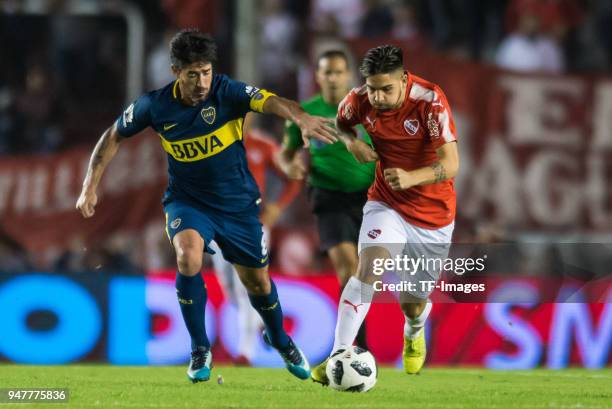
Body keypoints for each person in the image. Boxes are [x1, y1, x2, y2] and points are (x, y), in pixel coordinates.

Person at [75, 29, 337, 383]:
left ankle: (279, 338)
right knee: (188, 256)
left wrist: (301, 118)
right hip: (188, 201)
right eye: (192, 74)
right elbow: (113, 135)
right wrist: (90, 185)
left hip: (239, 207)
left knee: (257, 284)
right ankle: (200, 348)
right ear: (175, 72)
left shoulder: (227, 92)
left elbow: (273, 101)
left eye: (206, 72)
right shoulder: (154, 105)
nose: (201, 82)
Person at [310, 45, 459, 384]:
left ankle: (415, 328)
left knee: (412, 302)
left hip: (433, 215)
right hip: (386, 203)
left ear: (404, 80)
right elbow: (342, 124)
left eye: (386, 89)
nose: (377, 96)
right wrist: (352, 143)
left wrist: (411, 177)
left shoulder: (430, 101)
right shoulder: (358, 99)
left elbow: (451, 164)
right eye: (372, 87)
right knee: (367, 270)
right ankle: (339, 355)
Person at [278, 50, 374, 351]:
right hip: (329, 197)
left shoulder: (370, 110)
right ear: (318, 76)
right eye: (326, 73)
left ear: (348, 75)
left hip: (371, 199)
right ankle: (356, 348)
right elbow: (285, 154)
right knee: (348, 270)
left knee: (367, 274)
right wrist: (290, 166)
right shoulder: (305, 114)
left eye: (338, 72)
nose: (333, 78)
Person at [210, 115, 301, 366]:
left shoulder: (262, 145)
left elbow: (293, 178)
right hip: (219, 224)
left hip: (253, 223)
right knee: (229, 289)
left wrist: (278, 208)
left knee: (245, 287)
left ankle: (245, 353)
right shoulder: (211, 144)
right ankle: (263, 321)